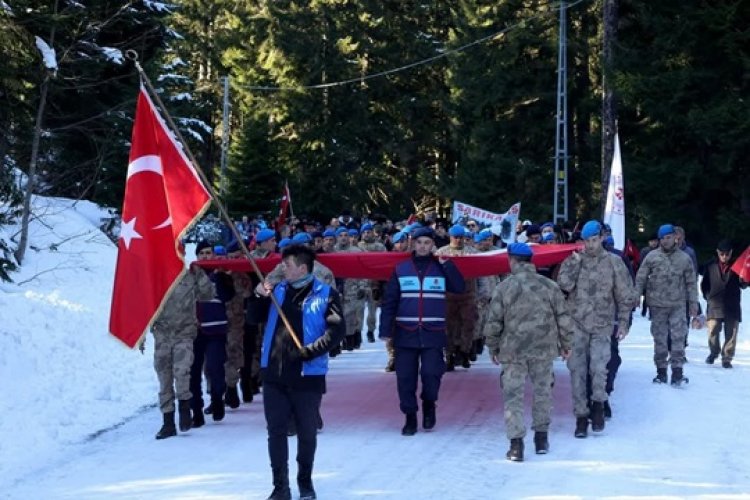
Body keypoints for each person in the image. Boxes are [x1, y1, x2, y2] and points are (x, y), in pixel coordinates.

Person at [257, 245, 345, 500]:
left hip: (308, 376)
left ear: (303, 268)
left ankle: (305, 481)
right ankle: (280, 486)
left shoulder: (326, 294)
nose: (282, 268)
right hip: (275, 374)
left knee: (306, 432)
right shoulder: (277, 292)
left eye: (287, 265)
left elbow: (336, 331)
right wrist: (259, 296)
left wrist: (311, 350)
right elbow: (253, 318)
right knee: (276, 431)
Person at [484, 242, 574, 461]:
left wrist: (493, 346)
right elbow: (563, 317)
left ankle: (516, 446)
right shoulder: (550, 286)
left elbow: (494, 321)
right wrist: (566, 344)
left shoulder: (504, 287)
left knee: (512, 396)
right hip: (543, 351)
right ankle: (541, 439)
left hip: (513, 352)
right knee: (542, 393)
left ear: (511, 260)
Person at [379, 227, 465, 436]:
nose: (423, 246)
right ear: (412, 243)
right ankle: (410, 417)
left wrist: (449, 266)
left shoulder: (441, 267)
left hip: (433, 333)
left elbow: (459, 287)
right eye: (419, 242)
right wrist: (384, 329)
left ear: (433, 245)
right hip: (405, 332)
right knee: (405, 378)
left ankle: (429, 404)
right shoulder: (401, 269)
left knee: (431, 374)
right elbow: (390, 301)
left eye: (427, 243)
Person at [557, 221, 636, 437]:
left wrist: (623, 321)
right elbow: (563, 285)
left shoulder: (614, 262)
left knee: (600, 368)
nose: (591, 245)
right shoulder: (574, 260)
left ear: (601, 238)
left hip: (602, 324)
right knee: (577, 370)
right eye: (587, 241)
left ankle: (599, 404)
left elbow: (624, 294)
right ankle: (581, 417)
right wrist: (574, 264)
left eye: (594, 240)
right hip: (577, 324)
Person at [149, 246, 214, 439]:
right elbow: (144, 305)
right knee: (164, 378)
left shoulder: (191, 275)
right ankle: (168, 421)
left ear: (184, 254)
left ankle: (185, 407)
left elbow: (208, 295)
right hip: (162, 334)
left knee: (182, 372)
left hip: (184, 333)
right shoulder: (155, 277)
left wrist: (201, 274)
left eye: (179, 253)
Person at [635, 224, 698, 386]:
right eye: (662, 238)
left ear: (675, 238)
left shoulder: (684, 258)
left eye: (668, 237)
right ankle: (661, 371)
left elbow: (691, 282)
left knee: (678, 338)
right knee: (660, 339)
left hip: (678, 305)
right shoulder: (652, 257)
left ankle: (677, 372)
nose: (665, 241)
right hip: (657, 306)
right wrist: (636, 296)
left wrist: (693, 303)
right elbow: (641, 277)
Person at [190, 242, 235, 425]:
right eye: (202, 253)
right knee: (193, 372)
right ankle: (197, 411)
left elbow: (227, 296)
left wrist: (221, 277)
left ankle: (217, 399)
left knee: (215, 369)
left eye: (209, 253)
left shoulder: (222, 274)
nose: (206, 256)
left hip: (216, 330)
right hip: (194, 330)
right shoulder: (190, 276)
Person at [700, 240, 748, 368]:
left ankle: (727, 358)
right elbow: (704, 284)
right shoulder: (710, 265)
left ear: (731, 253)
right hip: (714, 303)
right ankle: (713, 352)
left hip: (731, 304)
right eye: (722, 254)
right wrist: (708, 297)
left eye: (727, 254)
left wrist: (744, 280)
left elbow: (743, 285)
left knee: (731, 333)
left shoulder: (737, 266)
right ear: (717, 252)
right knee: (713, 331)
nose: (725, 256)